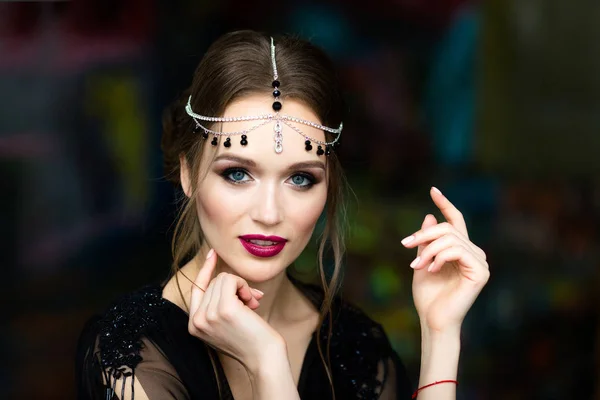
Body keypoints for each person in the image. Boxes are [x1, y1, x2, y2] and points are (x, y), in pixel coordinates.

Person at [76, 30, 489, 400]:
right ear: (188, 174)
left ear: (328, 187)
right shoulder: (132, 354)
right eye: (237, 174)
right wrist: (268, 361)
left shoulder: (356, 348)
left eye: (300, 179)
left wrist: (440, 334)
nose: (269, 214)